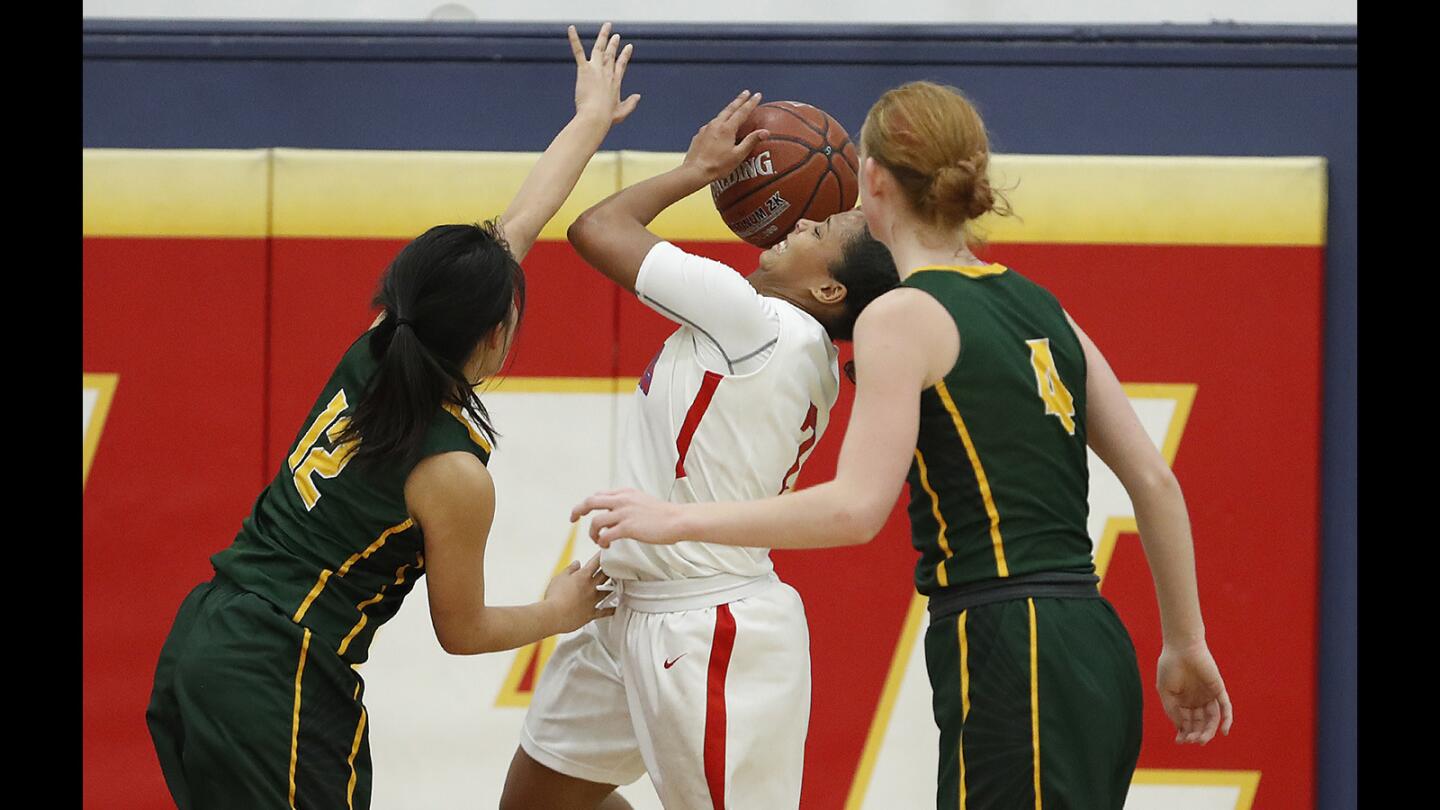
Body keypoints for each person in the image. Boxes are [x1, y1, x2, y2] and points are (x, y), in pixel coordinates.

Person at [571, 80, 1234, 810]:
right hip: (1096, 636)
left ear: (875, 179)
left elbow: (856, 510)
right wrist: (1186, 643)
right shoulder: (1043, 305)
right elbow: (1154, 481)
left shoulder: (901, 314)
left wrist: (678, 519)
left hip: (1012, 634)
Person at [145, 24, 640, 810]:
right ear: (494, 335)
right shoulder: (452, 474)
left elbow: (513, 231)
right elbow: (463, 628)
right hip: (282, 670)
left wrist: (588, 120)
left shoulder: (383, 342)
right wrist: (561, 609)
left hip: (203, 636)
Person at [499, 91, 899, 810]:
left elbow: (597, 228)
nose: (803, 219)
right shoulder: (780, 336)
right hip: (630, 607)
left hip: (708, 625)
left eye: (822, 227)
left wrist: (696, 170)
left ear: (828, 285)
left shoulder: (755, 320)